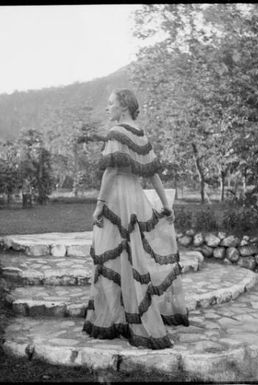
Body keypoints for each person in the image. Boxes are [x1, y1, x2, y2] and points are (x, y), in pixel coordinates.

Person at [82, 89, 189, 349]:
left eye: (111, 104)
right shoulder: (140, 133)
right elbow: (153, 175)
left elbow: (110, 173)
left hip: (117, 201)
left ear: (124, 107)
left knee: (113, 255)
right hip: (136, 200)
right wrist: (166, 205)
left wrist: (99, 205)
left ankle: (117, 318)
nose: (108, 108)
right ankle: (130, 315)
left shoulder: (116, 133)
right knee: (133, 258)